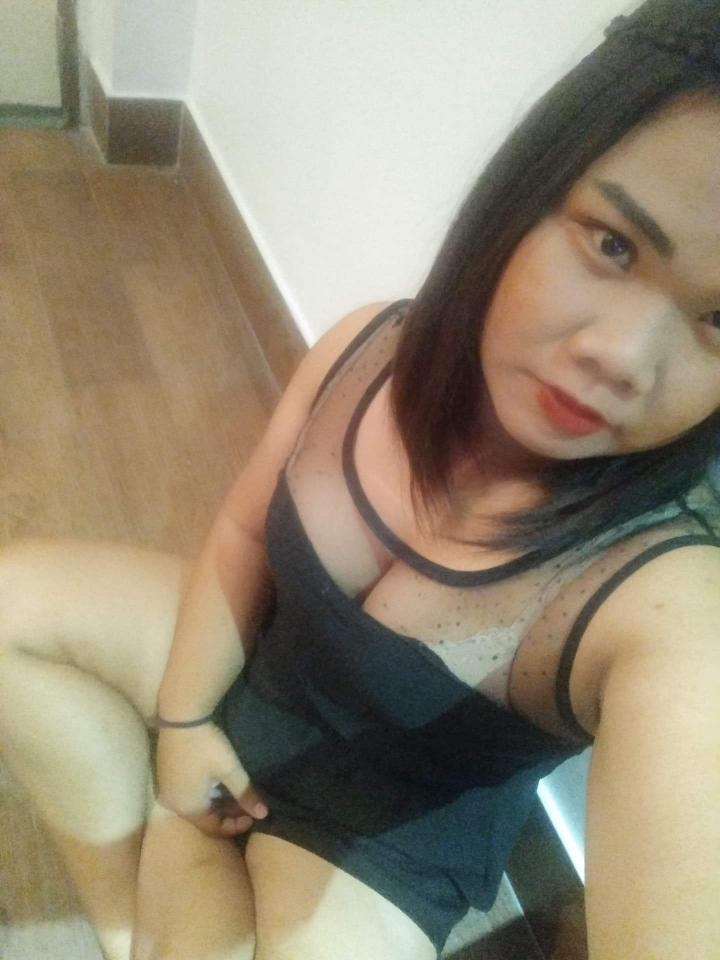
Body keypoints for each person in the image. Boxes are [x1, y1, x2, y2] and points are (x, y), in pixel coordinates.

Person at [1, 1, 720, 958]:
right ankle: (124, 928)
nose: (622, 357)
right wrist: (183, 720)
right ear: (529, 190)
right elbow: (245, 533)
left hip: (381, 840)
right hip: (250, 677)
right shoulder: (372, 344)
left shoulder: (671, 604)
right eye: (613, 244)